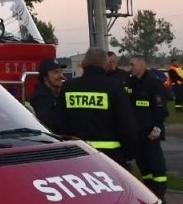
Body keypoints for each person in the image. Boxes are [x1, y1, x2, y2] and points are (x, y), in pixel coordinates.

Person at [58, 47, 139, 175]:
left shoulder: (68, 87)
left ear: (84, 64)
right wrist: (128, 154)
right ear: (106, 65)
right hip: (110, 158)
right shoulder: (114, 87)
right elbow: (127, 125)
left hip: (75, 156)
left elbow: (59, 123)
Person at [126, 56, 170, 200]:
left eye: (133, 64)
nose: (130, 67)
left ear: (142, 65)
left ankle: (160, 195)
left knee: (156, 165)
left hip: (151, 134)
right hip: (137, 134)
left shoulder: (153, 84)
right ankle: (149, 193)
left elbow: (161, 109)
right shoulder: (130, 83)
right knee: (143, 166)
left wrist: (157, 128)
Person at [28, 57, 66, 135]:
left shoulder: (54, 93)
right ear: (45, 76)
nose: (61, 76)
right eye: (56, 72)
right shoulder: (41, 97)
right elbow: (49, 126)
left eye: (61, 72)